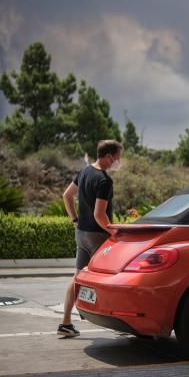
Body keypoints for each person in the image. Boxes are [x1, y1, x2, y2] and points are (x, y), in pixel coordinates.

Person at [57, 140, 123, 337]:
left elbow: (66, 196)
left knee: (78, 277)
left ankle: (66, 323)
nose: (117, 162)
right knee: (114, 278)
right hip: (98, 237)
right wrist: (115, 233)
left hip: (82, 234)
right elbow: (99, 215)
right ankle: (120, 322)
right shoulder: (104, 181)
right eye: (117, 157)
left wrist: (75, 219)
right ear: (108, 156)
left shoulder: (85, 171)